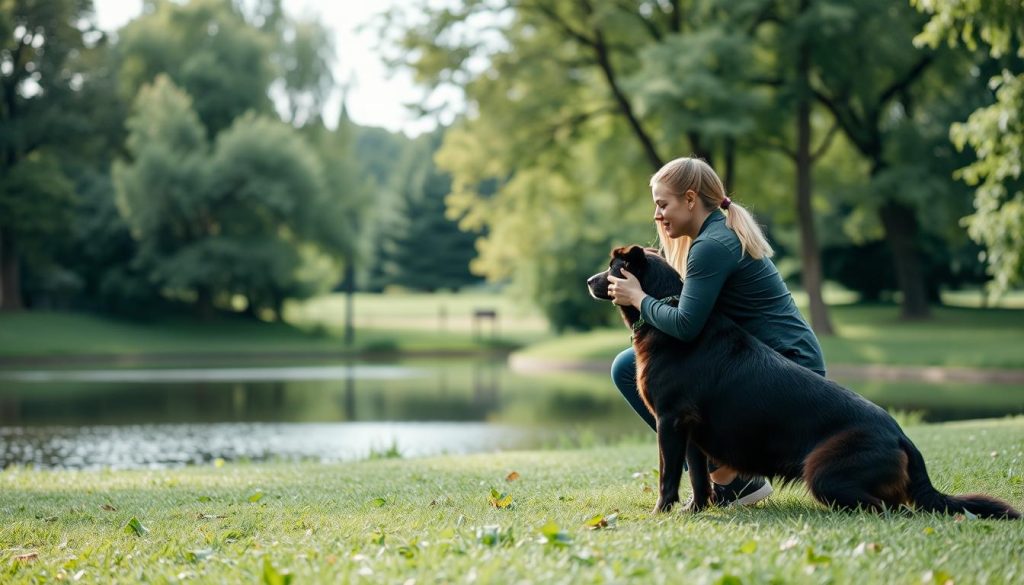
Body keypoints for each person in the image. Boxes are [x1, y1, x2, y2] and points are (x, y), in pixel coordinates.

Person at [607, 156, 826, 507]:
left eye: (663, 204)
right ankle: (722, 479)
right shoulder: (714, 235)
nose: (656, 215)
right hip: (760, 364)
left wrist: (638, 296)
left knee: (628, 370)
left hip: (788, 369)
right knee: (632, 367)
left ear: (690, 199)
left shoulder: (712, 246)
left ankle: (733, 479)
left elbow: (684, 325)